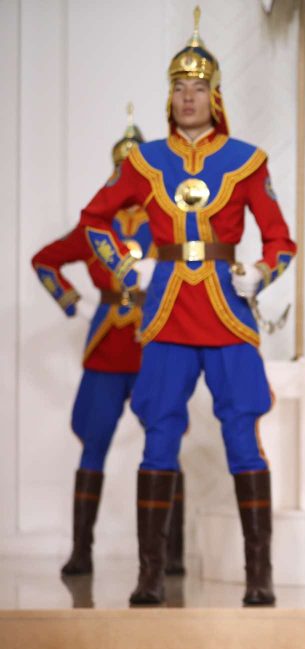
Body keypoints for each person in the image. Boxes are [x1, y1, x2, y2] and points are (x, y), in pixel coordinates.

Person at [74, 7, 296, 606]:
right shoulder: (144, 160)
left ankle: (259, 576)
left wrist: (260, 273)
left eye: (198, 88)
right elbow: (94, 220)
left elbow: (280, 239)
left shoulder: (247, 159)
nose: (188, 97)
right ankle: (150, 575)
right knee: (158, 438)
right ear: (169, 97)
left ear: (214, 95)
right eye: (179, 88)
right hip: (166, 312)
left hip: (226, 311)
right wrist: (128, 268)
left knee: (243, 437)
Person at [31, 112, 190, 578]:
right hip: (105, 352)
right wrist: (73, 304)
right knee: (93, 444)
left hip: (156, 347)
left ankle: (172, 553)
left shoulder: (170, 221)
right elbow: (44, 261)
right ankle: (81, 551)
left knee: (165, 445)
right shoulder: (95, 228)